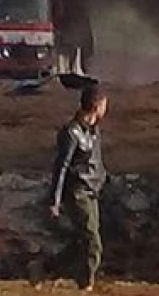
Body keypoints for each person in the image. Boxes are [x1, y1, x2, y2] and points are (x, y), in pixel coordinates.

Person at [49, 81, 109, 290]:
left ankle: (47, 268)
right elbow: (61, 166)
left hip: (92, 191)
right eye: (103, 104)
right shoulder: (71, 133)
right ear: (96, 105)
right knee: (93, 241)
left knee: (82, 240)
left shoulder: (93, 131)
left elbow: (96, 161)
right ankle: (86, 283)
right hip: (78, 192)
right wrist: (55, 200)